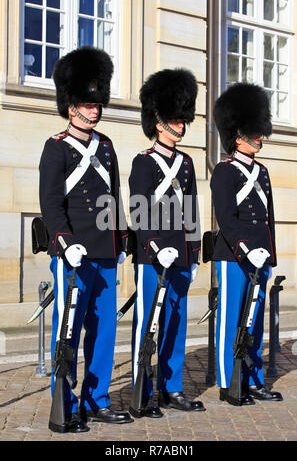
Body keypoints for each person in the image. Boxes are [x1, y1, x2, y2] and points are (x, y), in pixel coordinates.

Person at [39, 46, 132, 433]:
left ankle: (96, 399)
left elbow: (114, 195)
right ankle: (65, 402)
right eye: (86, 103)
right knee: (68, 330)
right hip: (74, 254)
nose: (94, 109)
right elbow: (50, 203)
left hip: (105, 252)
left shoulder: (106, 145)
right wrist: (64, 241)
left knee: (105, 331)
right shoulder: (56, 147)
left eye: (97, 102)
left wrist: (122, 237)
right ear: (70, 105)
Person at [128, 68, 205, 418]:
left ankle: (171, 387)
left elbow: (191, 211)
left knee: (175, 323)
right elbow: (138, 211)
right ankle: (142, 389)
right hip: (152, 257)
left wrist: (192, 255)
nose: (181, 124)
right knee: (149, 323)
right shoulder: (144, 162)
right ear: (159, 122)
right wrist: (158, 247)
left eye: (182, 117)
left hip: (180, 257)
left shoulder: (186, 163)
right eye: (175, 118)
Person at [211, 82, 283, 405]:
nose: (259, 136)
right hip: (234, 257)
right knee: (231, 319)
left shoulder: (263, 172)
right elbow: (226, 218)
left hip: (260, 258)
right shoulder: (224, 172)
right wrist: (245, 250)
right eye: (253, 130)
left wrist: (268, 254)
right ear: (237, 134)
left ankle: (253, 379)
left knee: (254, 323)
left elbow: (266, 216)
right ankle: (229, 382)